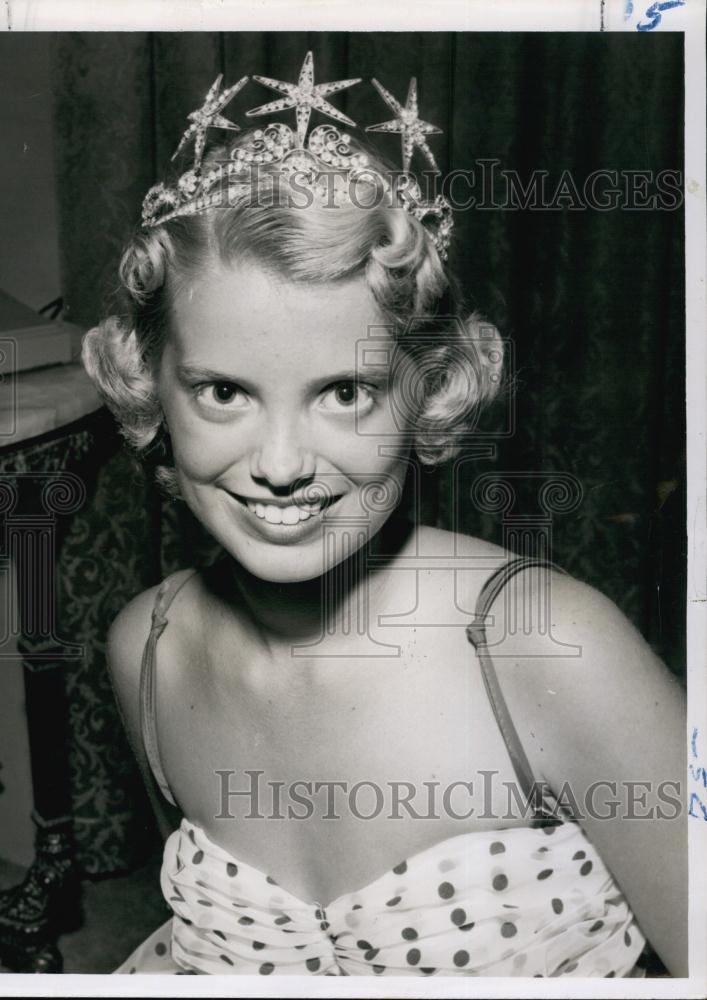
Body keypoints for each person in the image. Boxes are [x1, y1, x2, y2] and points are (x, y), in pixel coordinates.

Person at [82, 55, 687, 977]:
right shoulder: (148, 647)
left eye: (345, 392)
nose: (279, 467)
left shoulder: (547, 647)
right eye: (222, 392)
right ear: (149, 386)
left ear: (429, 388)